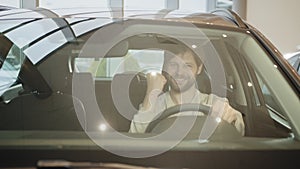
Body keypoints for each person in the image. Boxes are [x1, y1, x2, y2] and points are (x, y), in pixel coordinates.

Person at [129, 46, 245, 136]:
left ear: (199, 69)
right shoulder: (154, 104)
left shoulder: (212, 102)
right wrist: (151, 93)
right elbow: (134, 138)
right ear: (165, 68)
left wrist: (232, 116)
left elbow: (238, 132)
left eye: (188, 66)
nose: (179, 72)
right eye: (173, 65)